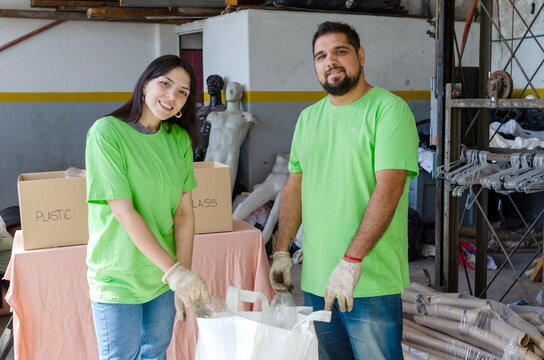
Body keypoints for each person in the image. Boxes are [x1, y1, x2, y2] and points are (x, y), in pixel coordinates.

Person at [269, 22, 419, 360]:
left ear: (360, 56)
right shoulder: (308, 118)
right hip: (316, 279)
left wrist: (351, 261)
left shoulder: (389, 110)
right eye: (321, 56)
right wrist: (281, 251)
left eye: (340, 51)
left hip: (368, 279)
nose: (330, 61)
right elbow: (295, 186)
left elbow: (390, 188)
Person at [85, 55, 211, 360]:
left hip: (162, 279)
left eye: (182, 92)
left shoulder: (178, 140)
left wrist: (182, 274)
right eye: (165, 84)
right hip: (119, 278)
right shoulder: (107, 133)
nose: (172, 96)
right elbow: (124, 211)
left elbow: (182, 214)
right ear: (144, 86)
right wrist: (176, 272)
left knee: (155, 354)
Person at [204, 81, 257, 191]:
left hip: (229, 157)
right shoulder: (214, 116)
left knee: (224, 194)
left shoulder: (245, 117)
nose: (229, 92)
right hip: (210, 155)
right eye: (228, 89)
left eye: (233, 89)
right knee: (204, 192)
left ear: (240, 94)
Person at [194, 74, 227, 161]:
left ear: (220, 87)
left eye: (214, 83)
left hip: (215, 146)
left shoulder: (224, 109)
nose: (211, 85)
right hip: (198, 145)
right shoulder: (201, 110)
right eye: (209, 83)